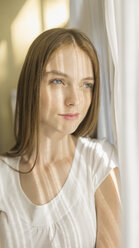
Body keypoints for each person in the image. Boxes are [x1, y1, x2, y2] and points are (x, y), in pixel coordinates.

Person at [0, 28, 121, 248]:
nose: (74, 99)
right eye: (58, 81)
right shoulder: (3, 176)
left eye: (86, 85)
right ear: (31, 84)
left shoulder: (99, 161)